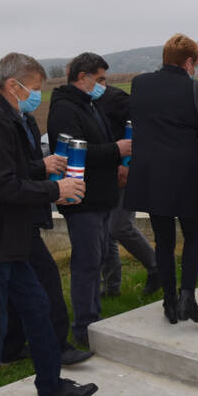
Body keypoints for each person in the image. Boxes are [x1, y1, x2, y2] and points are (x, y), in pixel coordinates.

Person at [0, 52, 97, 396]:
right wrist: (54, 189)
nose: (38, 97)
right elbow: (0, 186)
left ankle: (50, 388)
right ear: (12, 85)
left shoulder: (7, 117)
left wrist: (40, 167)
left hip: (11, 239)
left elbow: (9, 170)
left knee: (38, 310)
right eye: (34, 89)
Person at [124, 33, 198, 323]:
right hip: (189, 177)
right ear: (190, 61)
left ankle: (169, 303)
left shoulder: (140, 85)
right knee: (194, 237)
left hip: (152, 176)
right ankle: (188, 298)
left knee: (164, 241)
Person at [45, 53, 131, 348]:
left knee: (96, 260)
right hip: (83, 200)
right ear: (83, 77)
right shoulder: (65, 110)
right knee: (86, 264)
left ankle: (93, 318)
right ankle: (84, 326)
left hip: (100, 196)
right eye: (100, 79)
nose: (104, 86)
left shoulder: (88, 104)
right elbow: (76, 154)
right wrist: (116, 150)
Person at [0, 111, 93, 367]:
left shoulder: (25, 120)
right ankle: (58, 346)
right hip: (12, 218)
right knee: (46, 279)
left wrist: (49, 182)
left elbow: (27, 168)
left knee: (15, 284)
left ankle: (10, 347)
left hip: (25, 214)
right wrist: (44, 168)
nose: (35, 93)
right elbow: (10, 173)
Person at [95, 83, 160, 299]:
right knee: (106, 232)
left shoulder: (116, 99)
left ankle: (155, 267)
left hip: (126, 171)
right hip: (106, 173)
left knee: (119, 226)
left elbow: (142, 127)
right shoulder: (88, 102)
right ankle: (112, 287)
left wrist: (127, 163)